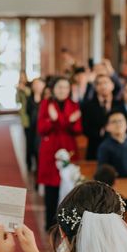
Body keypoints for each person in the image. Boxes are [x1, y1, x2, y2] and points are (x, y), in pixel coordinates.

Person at [37, 76, 82, 230]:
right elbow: (41, 128)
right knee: (51, 188)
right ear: (54, 89)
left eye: (65, 87)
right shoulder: (46, 104)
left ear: (69, 90)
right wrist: (66, 120)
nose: (62, 90)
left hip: (69, 150)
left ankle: (67, 223)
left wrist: (58, 120)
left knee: (69, 187)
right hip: (51, 152)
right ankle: (49, 223)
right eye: (59, 87)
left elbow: (77, 129)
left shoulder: (74, 105)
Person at [81, 74, 119, 160]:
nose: (103, 86)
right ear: (95, 87)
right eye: (99, 83)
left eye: (105, 83)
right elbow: (85, 128)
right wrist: (101, 132)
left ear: (112, 85)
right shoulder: (88, 106)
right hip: (95, 147)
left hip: (117, 148)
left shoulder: (119, 104)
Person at [16, 71, 33, 169]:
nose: (22, 78)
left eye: (23, 76)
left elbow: (31, 94)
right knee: (27, 139)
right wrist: (18, 91)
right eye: (20, 76)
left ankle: (31, 160)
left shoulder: (30, 86)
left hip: (31, 114)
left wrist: (24, 88)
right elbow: (17, 101)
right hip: (24, 116)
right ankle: (28, 162)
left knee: (31, 140)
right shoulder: (20, 87)